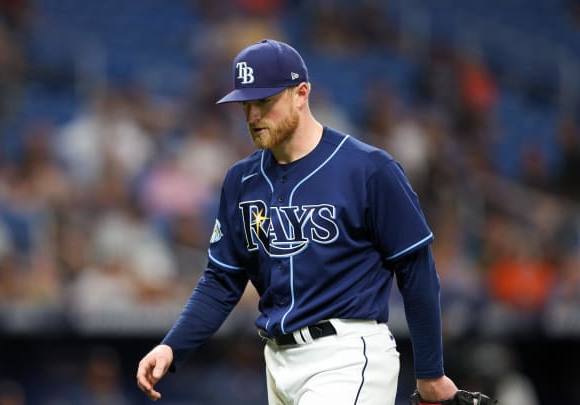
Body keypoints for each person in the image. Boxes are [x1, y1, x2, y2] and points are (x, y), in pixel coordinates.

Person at [137, 39, 460, 404]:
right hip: (276, 362)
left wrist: (430, 374)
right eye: (246, 104)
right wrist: (171, 347)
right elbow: (221, 280)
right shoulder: (241, 180)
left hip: (347, 356)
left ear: (301, 93)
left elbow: (416, 268)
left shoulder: (368, 169)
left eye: (265, 101)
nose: (253, 115)